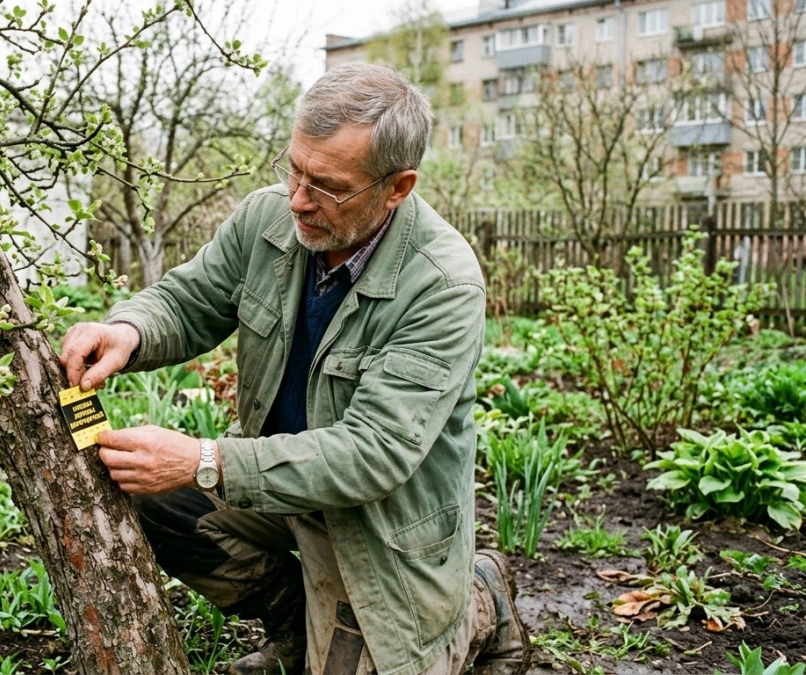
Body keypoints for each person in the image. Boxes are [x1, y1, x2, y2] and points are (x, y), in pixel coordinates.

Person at [59, 62, 530, 675]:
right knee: (157, 501)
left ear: (397, 186)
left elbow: (375, 453)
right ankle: (293, 623)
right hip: (275, 484)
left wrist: (204, 460)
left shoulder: (441, 283)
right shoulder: (268, 220)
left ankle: (480, 601)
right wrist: (127, 330)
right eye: (295, 170)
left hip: (375, 522)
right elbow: (188, 300)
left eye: (328, 186)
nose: (299, 200)